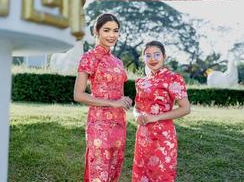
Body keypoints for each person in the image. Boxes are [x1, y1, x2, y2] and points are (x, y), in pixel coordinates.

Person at [74, 13, 132, 182]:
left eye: (115, 30)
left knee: (114, 172)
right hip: (99, 124)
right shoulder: (89, 58)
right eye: (106, 30)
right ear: (96, 31)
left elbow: (117, 93)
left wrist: (123, 100)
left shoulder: (118, 61)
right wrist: (113, 103)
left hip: (119, 123)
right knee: (98, 174)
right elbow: (78, 95)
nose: (112, 35)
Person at [132, 41, 191, 182]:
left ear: (164, 57)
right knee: (141, 175)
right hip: (143, 136)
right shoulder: (141, 82)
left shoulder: (173, 79)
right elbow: (136, 107)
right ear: (143, 59)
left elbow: (185, 108)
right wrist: (137, 116)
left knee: (162, 174)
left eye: (157, 54)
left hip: (163, 137)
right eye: (148, 55)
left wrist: (156, 118)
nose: (152, 59)